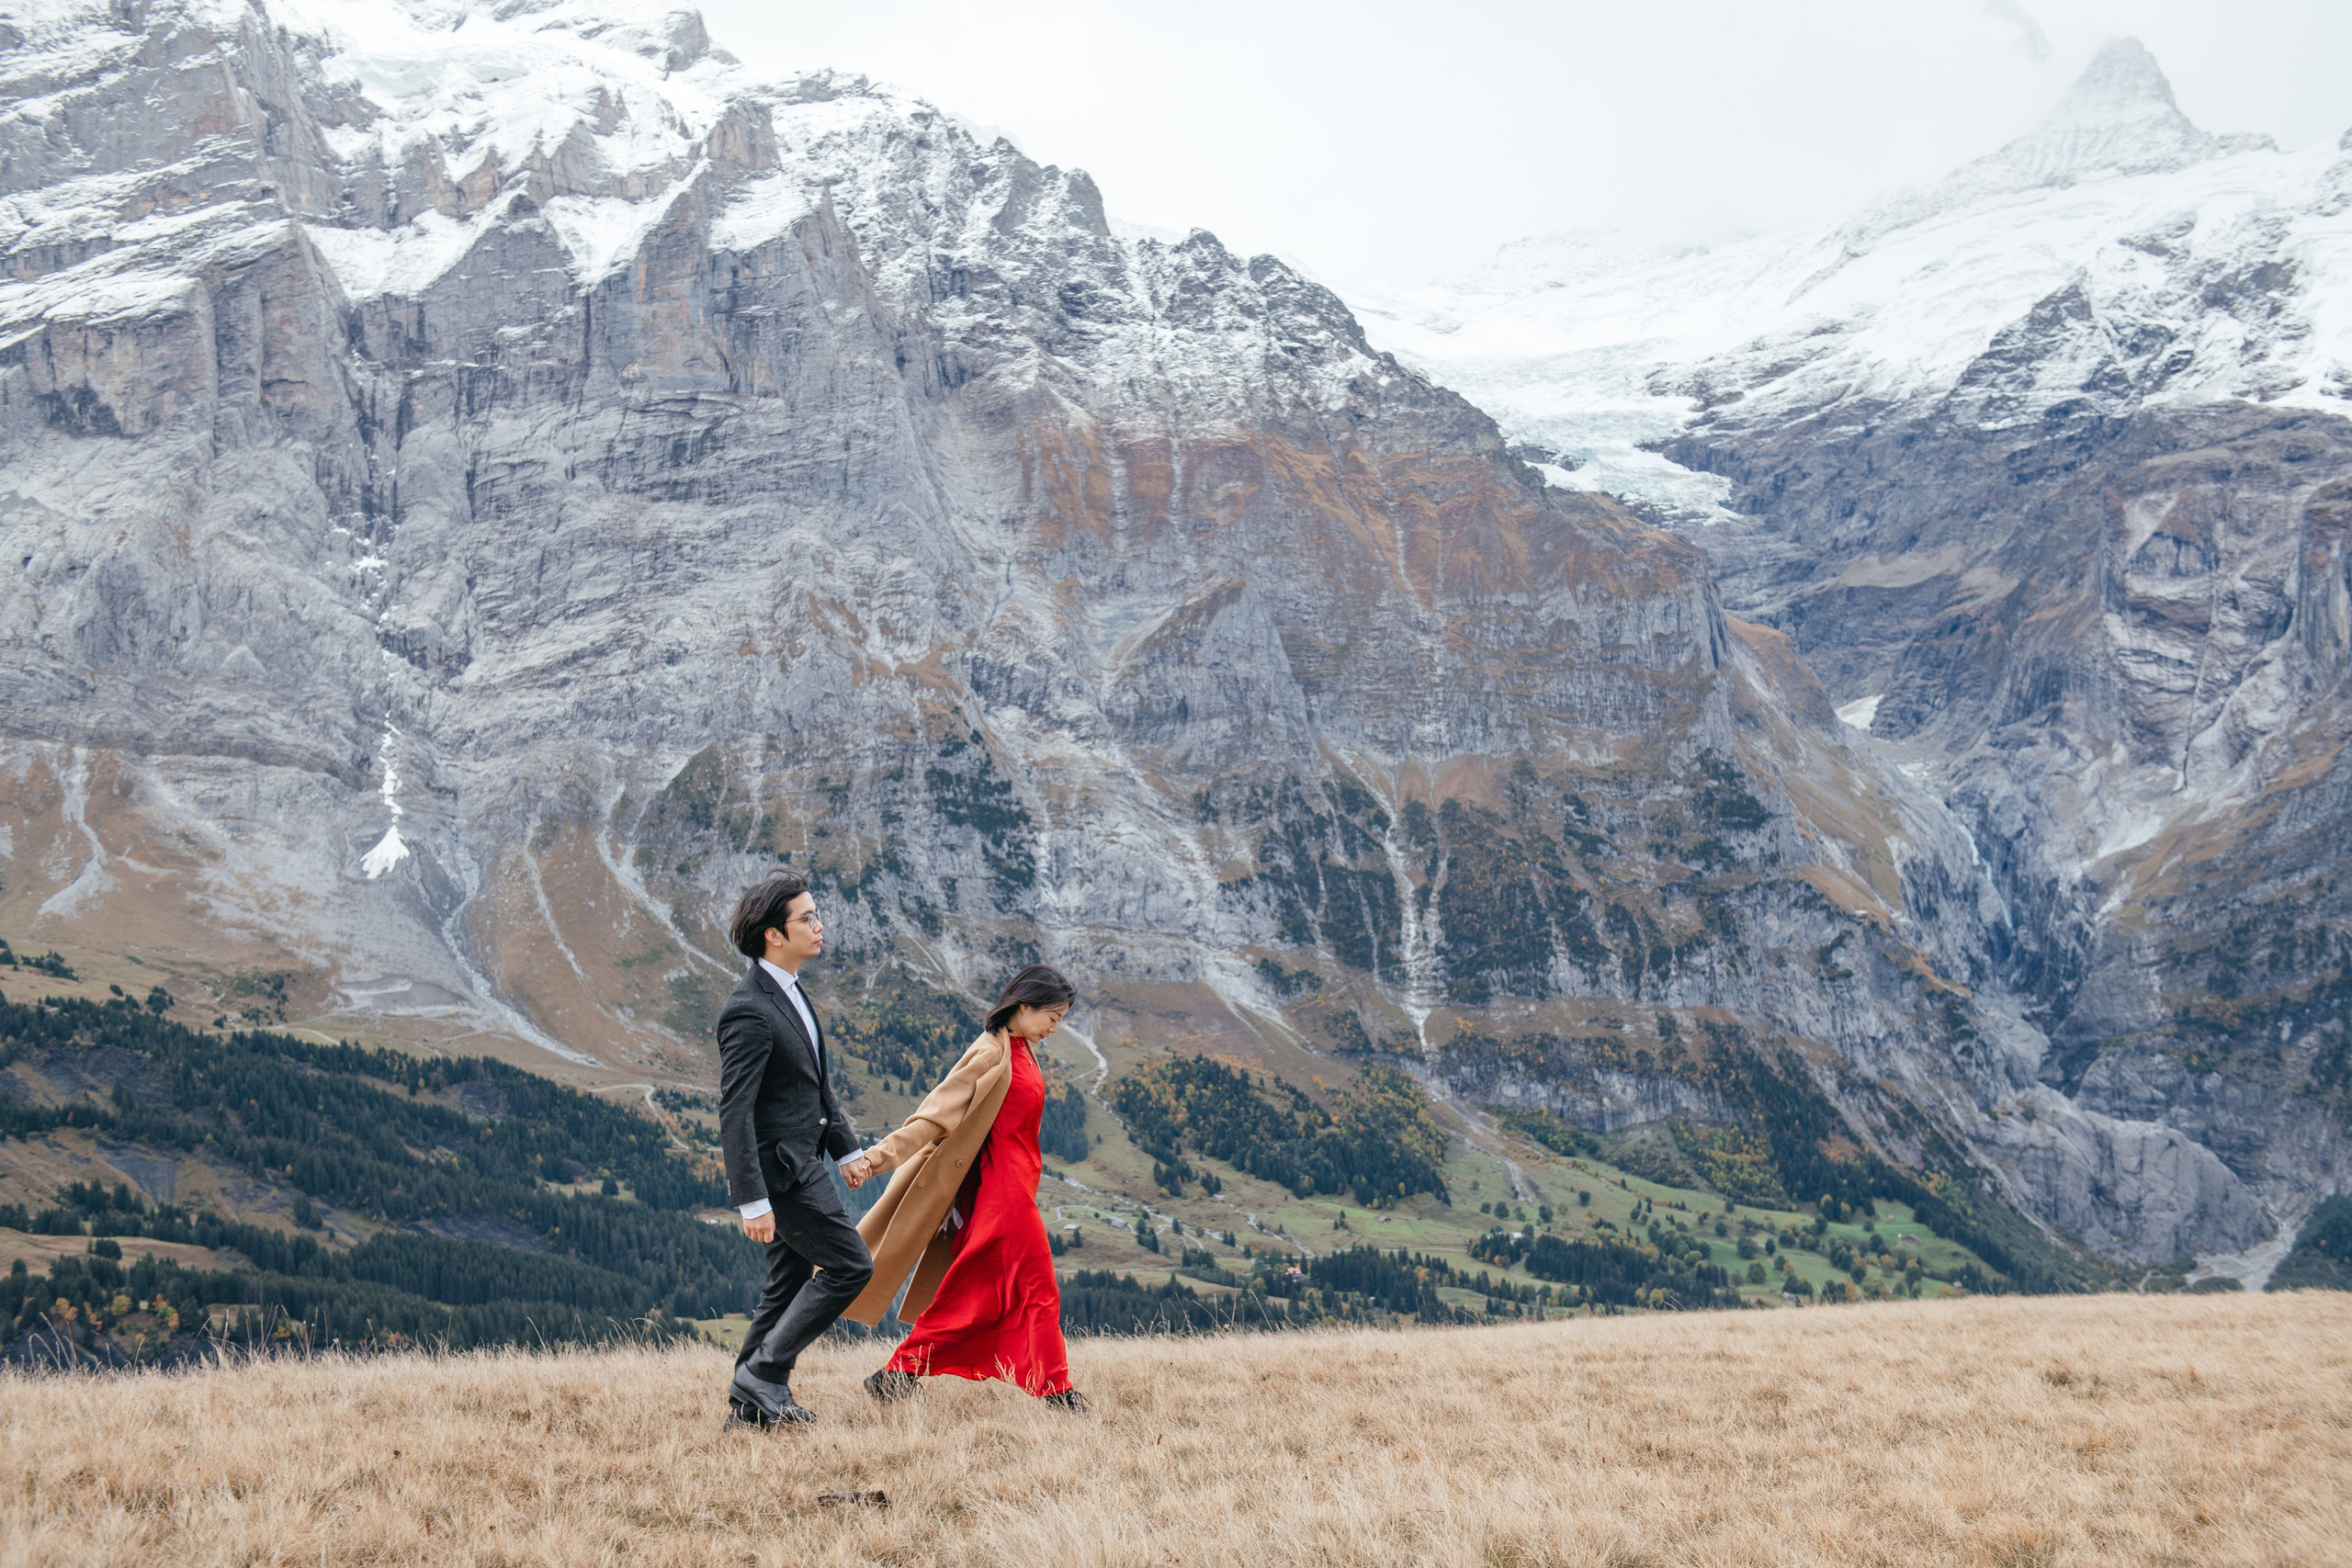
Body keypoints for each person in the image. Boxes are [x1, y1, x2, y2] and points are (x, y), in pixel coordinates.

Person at [838, 964, 1091, 1411]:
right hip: (1004, 1197)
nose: (1056, 1026)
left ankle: (898, 1373)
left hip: (1014, 1190)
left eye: (1061, 1018)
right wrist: (872, 1159)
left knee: (975, 1295)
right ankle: (1058, 1392)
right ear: (1024, 1005)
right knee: (1038, 1288)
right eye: (1052, 1016)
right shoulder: (991, 1055)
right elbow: (933, 1117)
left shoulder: (1023, 1049)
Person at [716, 869, 876, 1428]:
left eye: (816, 913)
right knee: (851, 1267)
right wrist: (751, 1200)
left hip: (806, 1161)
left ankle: (746, 1407)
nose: (819, 924)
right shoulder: (748, 1008)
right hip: (780, 1176)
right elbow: (735, 1108)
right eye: (806, 917)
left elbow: (814, 1084)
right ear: (773, 935)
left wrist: (847, 1148)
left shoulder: (790, 989)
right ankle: (765, 1376)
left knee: (786, 1283)